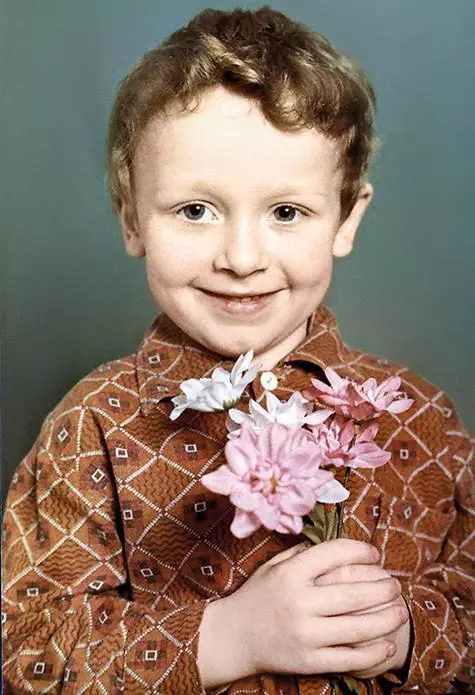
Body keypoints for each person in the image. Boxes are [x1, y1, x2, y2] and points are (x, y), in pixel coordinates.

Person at [2, 7, 473, 694]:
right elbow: (23, 642)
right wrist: (229, 635)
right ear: (132, 217)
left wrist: (408, 634)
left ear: (346, 219)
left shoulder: (418, 416)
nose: (242, 258)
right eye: (194, 209)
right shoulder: (91, 426)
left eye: (286, 212)